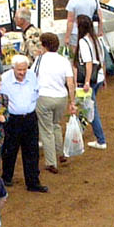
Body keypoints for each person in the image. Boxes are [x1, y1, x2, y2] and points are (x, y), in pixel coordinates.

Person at [0, 52, 46, 192]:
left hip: (30, 118)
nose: (22, 73)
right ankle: (6, 178)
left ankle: (33, 182)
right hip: (12, 121)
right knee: (9, 150)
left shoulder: (32, 76)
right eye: (19, 70)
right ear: (13, 68)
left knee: (32, 151)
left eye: (24, 69)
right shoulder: (4, 79)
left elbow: (36, 91)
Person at [35, 31, 77, 175]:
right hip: (61, 98)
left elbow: (33, 77)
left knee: (46, 130)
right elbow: (70, 83)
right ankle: (61, 153)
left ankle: (51, 162)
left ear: (44, 45)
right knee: (56, 125)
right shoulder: (63, 60)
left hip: (44, 98)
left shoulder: (39, 60)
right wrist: (73, 102)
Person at [73, 13, 109, 147]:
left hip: (90, 80)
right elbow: (102, 60)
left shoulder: (83, 42)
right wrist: (104, 78)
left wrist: (87, 81)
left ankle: (101, 140)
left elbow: (88, 63)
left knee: (91, 109)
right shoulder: (98, 39)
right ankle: (79, 131)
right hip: (98, 77)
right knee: (86, 106)